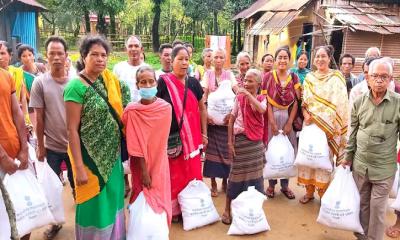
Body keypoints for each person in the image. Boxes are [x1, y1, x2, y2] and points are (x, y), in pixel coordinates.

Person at [64, 35, 130, 239]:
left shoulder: (109, 81)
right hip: (89, 161)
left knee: (113, 201)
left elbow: (126, 99)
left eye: (104, 55)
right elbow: (71, 130)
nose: (100, 59)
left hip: (113, 157)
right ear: (84, 56)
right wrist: (79, 168)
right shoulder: (76, 87)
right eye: (94, 54)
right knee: (95, 204)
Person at [342, 59, 400, 240]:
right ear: (368, 78)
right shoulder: (359, 102)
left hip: (383, 168)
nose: (379, 80)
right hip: (360, 166)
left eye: (384, 77)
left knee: (377, 208)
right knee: (363, 205)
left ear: (391, 79)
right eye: (375, 76)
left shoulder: (398, 103)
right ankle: (362, 237)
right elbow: (353, 132)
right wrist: (347, 157)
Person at [29, 36, 74, 239]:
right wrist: (40, 146)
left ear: (66, 56)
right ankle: (55, 223)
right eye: (52, 54)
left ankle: (82, 223)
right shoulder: (40, 83)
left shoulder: (76, 83)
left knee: (79, 185)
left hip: (75, 148)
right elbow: (39, 118)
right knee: (52, 189)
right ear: (46, 57)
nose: (56, 57)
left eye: (60, 53)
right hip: (53, 146)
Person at [156, 45, 207, 222]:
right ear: (172, 61)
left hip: (193, 138)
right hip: (172, 139)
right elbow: (157, 110)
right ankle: (176, 210)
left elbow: (202, 109)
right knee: (175, 174)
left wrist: (204, 133)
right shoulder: (164, 82)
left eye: (187, 59)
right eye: (180, 59)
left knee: (191, 173)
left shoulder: (193, 82)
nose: (184, 62)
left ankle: (192, 207)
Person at [122, 66, 172, 227]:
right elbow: (135, 144)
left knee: (160, 192)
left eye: (151, 81)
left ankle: (157, 229)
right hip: (140, 164)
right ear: (137, 85)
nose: (148, 85)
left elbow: (161, 139)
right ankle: (139, 228)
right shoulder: (132, 111)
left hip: (160, 162)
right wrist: (144, 172)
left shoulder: (165, 108)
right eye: (143, 82)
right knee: (141, 191)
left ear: (156, 83)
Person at [298, 45, 349, 204]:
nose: (320, 59)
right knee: (308, 157)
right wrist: (306, 115)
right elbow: (304, 102)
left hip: (328, 128)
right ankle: (309, 192)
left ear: (329, 58)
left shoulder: (336, 77)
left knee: (323, 159)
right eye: (317, 56)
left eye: (323, 56)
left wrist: (326, 121)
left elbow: (341, 103)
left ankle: (324, 193)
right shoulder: (310, 78)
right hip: (311, 125)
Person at [222, 69, 266, 225]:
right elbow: (231, 120)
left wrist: (248, 95)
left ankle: (255, 210)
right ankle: (227, 209)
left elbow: (261, 109)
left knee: (256, 177)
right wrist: (229, 142)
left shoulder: (261, 98)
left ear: (258, 84)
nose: (246, 84)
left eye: (250, 81)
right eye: (245, 80)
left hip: (255, 146)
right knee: (235, 176)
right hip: (240, 143)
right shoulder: (238, 99)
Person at [262, 46, 301, 200]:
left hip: (288, 117)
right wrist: (271, 122)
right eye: (280, 57)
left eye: (286, 57)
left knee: (288, 150)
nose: (283, 60)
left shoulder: (295, 78)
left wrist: (290, 122)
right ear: (276, 60)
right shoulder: (268, 77)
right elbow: (266, 101)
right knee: (271, 150)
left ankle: (285, 185)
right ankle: (271, 185)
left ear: (289, 60)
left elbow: (296, 102)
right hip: (271, 116)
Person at [201, 48, 238, 197]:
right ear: (211, 59)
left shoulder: (229, 75)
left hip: (226, 124)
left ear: (225, 59)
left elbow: (237, 92)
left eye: (221, 57)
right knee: (211, 154)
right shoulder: (207, 75)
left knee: (226, 153)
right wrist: (206, 115)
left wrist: (232, 113)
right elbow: (204, 96)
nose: (218, 60)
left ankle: (225, 181)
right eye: (215, 57)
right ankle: (214, 183)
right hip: (212, 124)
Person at [0, 67, 29, 238]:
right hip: (4, 159)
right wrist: (2, 156)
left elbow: (17, 112)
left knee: (25, 213)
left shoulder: (5, 75)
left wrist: (24, 149)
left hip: (16, 154)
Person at [0, 41, 30, 126]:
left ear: (10, 55)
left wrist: (27, 121)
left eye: (2, 53)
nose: (0, 57)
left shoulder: (17, 72)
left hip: (16, 117)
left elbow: (23, 99)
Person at [113, 35, 147, 103]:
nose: (133, 49)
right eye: (130, 46)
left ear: (141, 49)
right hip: (123, 110)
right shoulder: (118, 68)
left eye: (136, 46)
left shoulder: (147, 69)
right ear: (125, 49)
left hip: (143, 109)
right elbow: (114, 91)